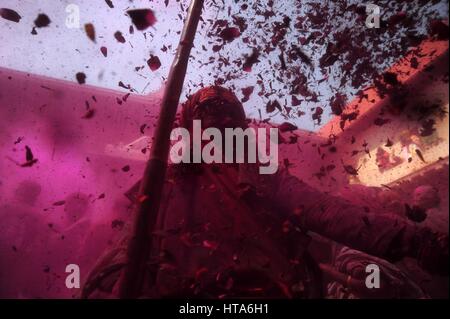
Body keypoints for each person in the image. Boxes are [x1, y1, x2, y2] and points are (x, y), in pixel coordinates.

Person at [82, 86, 448, 299]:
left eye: (225, 114)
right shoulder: (163, 187)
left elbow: (326, 211)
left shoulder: (257, 177)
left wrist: (417, 241)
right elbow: (123, 255)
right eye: (210, 114)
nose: (219, 122)